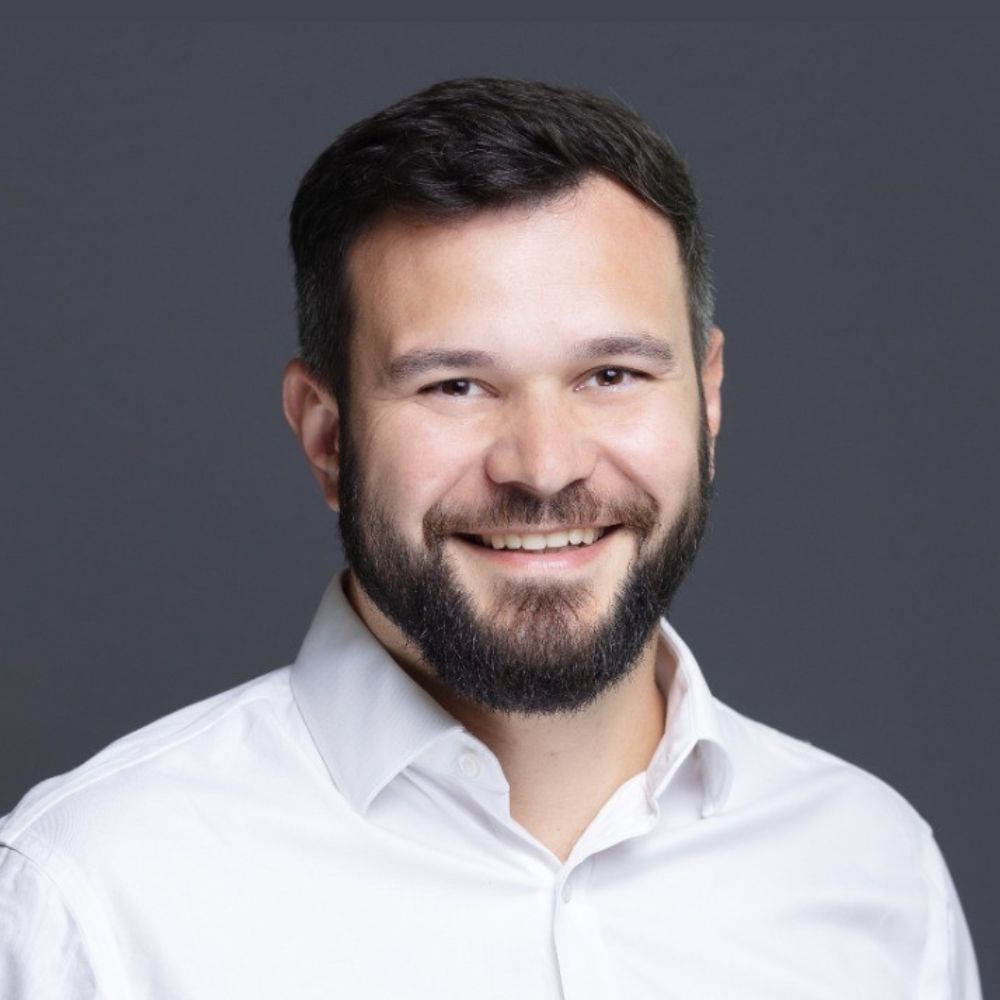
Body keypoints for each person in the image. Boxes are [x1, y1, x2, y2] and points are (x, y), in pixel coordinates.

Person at [0, 77, 981, 998]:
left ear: (708, 396)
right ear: (327, 435)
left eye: (612, 375)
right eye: (454, 386)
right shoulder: (88, 898)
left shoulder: (871, 873)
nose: (545, 465)